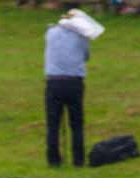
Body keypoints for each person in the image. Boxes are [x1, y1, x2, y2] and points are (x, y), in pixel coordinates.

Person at [43, 10, 100, 168]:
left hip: (53, 82)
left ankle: (53, 160)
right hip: (74, 82)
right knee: (76, 124)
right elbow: (86, 56)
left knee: (53, 124)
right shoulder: (81, 37)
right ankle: (78, 160)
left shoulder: (50, 33)